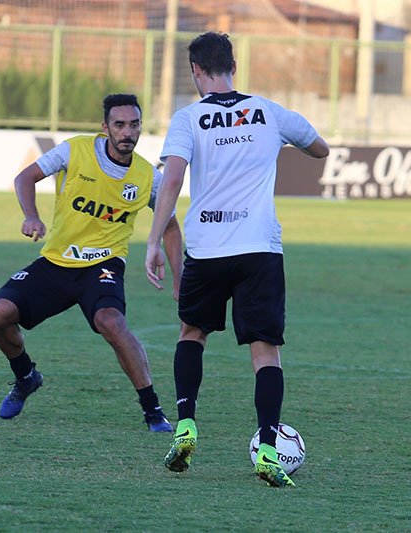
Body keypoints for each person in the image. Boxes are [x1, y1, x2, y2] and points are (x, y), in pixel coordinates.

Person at [145, 32, 329, 486]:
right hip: (259, 251)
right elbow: (320, 148)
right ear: (233, 66)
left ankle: (185, 425)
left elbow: (170, 182)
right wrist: (286, 142)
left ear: (195, 71)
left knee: (192, 332)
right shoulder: (270, 112)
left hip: (207, 248)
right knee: (266, 352)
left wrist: (153, 241)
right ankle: (268, 447)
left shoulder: (189, 118)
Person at [0, 93, 183, 432]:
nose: (127, 133)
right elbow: (25, 178)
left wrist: (179, 279)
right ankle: (26, 377)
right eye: (119, 125)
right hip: (56, 261)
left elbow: (171, 226)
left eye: (134, 125)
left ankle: (153, 412)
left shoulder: (149, 177)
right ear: (105, 127)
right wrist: (31, 216)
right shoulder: (74, 151)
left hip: (103, 267)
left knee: (112, 323)